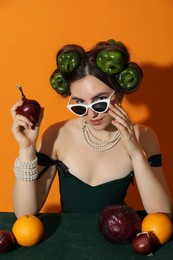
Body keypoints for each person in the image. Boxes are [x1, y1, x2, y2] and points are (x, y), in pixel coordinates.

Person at [11, 39, 172, 218]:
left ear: (118, 93)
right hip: (68, 239)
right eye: (79, 104)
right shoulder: (57, 134)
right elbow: (24, 213)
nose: (91, 114)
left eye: (100, 102)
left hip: (116, 238)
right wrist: (26, 150)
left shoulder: (145, 136)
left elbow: (162, 214)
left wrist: (135, 154)